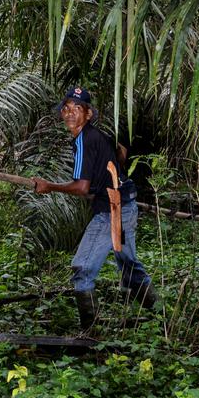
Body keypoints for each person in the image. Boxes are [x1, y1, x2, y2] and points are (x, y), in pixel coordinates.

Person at [32, 87, 157, 331]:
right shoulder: (94, 136)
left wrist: (49, 186)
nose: (70, 114)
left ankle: (90, 332)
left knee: (82, 268)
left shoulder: (85, 140)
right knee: (129, 265)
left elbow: (81, 187)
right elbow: (121, 153)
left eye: (77, 109)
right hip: (126, 204)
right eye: (66, 109)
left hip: (111, 211)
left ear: (88, 114)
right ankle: (159, 316)